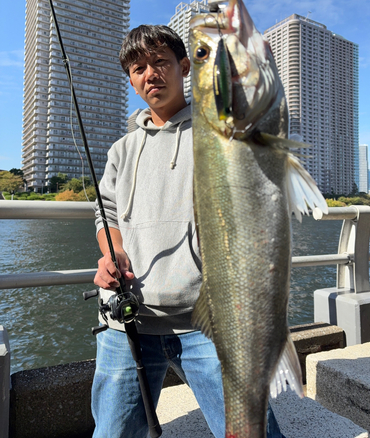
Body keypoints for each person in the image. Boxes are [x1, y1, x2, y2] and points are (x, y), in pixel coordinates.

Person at [91, 24, 285, 438]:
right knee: (112, 433)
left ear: (183, 68)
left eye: (161, 62)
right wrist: (112, 254)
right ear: (130, 79)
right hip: (129, 320)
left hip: (211, 323)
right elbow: (105, 213)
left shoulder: (221, 131)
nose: (150, 74)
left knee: (254, 432)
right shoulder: (121, 150)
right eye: (138, 67)